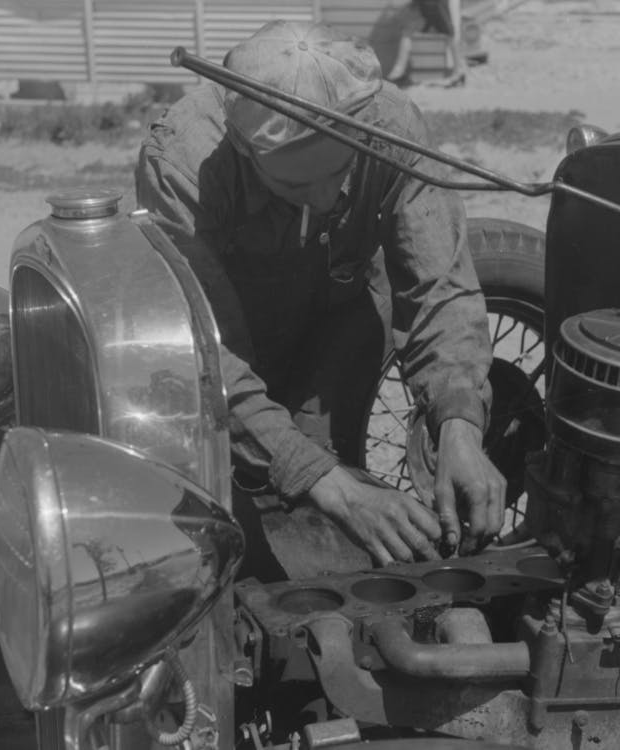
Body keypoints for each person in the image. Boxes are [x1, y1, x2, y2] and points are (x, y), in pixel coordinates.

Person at [136, 20, 503, 576]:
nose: (329, 197)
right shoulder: (182, 164)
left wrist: (459, 422)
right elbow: (205, 360)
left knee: (324, 533)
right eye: (297, 187)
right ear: (246, 149)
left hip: (338, 325)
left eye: (339, 171)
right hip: (236, 352)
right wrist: (329, 485)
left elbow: (440, 287)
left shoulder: (391, 126)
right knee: (222, 540)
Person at [386, 0, 467, 88]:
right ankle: (458, 72)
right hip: (434, 4)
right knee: (450, 34)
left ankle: (397, 74)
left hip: (425, 4)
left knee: (408, 32)